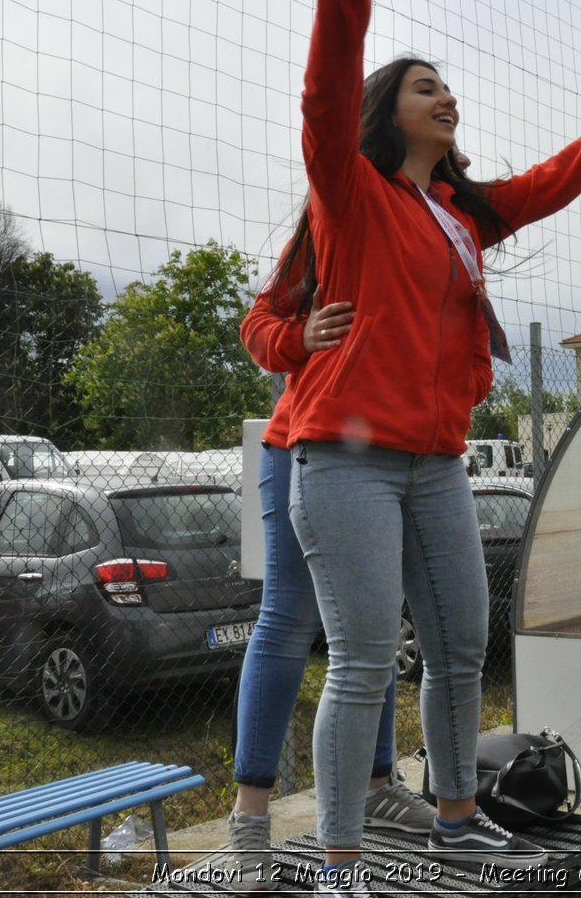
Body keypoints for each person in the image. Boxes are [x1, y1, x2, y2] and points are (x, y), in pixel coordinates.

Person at [285, 0, 581, 891]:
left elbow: (551, 182)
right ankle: (341, 861)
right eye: (428, 87)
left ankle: (457, 815)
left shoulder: (461, 218)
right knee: (365, 660)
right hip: (343, 462)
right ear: (391, 111)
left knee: (466, 645)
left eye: (448, 88)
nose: (447, 97)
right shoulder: (351, 191)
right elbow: (323, 92)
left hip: (432, 465)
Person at [224, 268, 436, 888]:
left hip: (389, 451)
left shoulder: (426, 217)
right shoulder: (329, 226)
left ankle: (375, 787)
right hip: (305, 441)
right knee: (288, 618)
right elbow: (257, 326)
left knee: (373, 621)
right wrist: (299, 334)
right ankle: (249, 818)